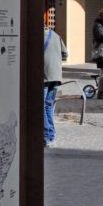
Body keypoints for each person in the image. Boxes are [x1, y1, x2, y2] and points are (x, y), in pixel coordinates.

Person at [43, 10, 68, 147]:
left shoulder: (35, 36)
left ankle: (46, 135)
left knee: (41, 106)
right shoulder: (56, 35)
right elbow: (65, 55)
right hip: (56, 76)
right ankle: (51, 135)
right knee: (48, 106)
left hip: (44, 77)